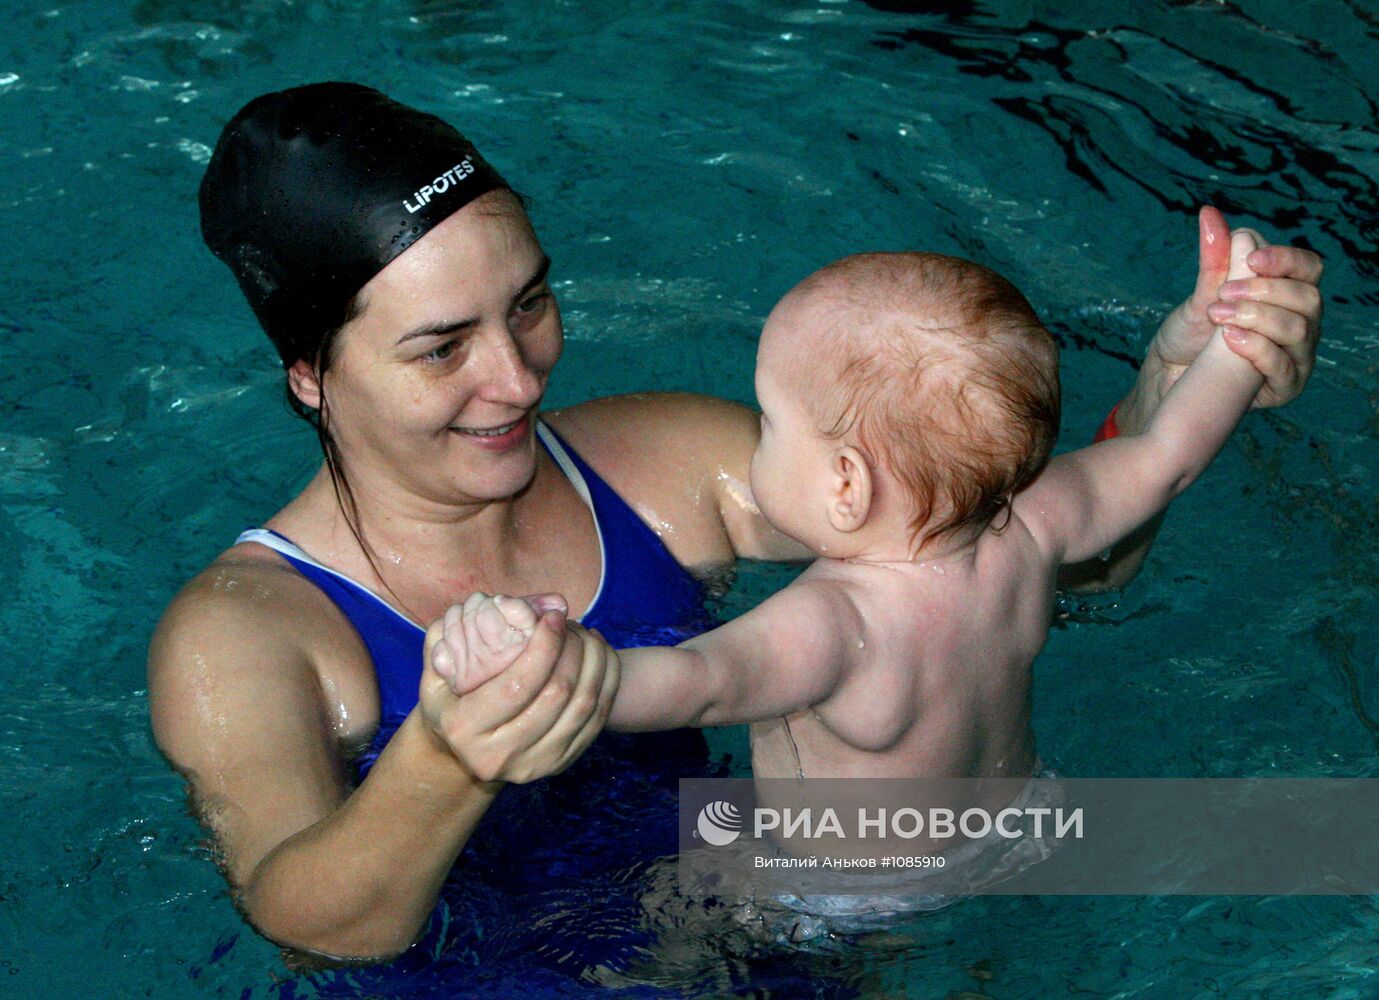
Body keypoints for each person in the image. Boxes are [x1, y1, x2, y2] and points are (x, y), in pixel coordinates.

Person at [147, 81, 1323, 967]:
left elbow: (995, 554)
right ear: (309, 372)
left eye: (531, 304)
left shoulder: (665, 467)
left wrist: (1165, 390)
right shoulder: (248, 634)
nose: (517, 377)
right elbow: (307, 925)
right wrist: (445, 755)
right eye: (442, 347)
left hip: (792, 935)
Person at [434, 237, 1267, 928]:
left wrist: (545, 663)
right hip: (1018, 826)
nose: (753, 439)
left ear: (845, 484)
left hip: (852, 887)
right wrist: (1235, 345)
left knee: (665, 914)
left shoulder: (835, 622)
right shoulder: (1034, 524)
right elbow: (1166, 459)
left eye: (768, 422)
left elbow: (695, 683)